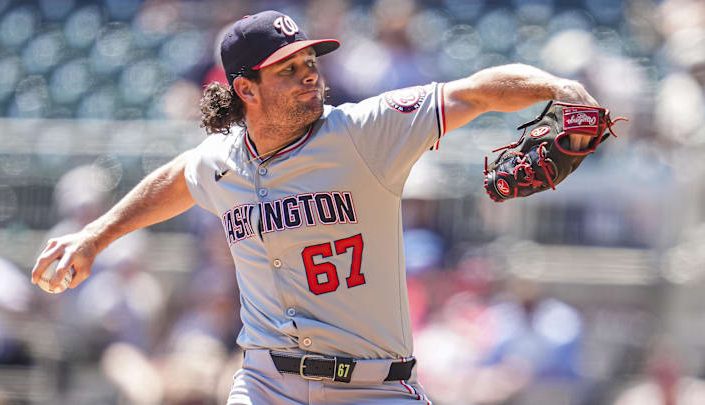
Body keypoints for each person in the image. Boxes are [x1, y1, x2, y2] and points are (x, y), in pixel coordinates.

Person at [32, 10, 599, 404]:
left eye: (310, 62)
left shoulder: (364, 130)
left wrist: (559, 87)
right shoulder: (222, 158)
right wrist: (95, 236)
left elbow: (471, 91)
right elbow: (179, 176)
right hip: (265, 385)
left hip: (375, 388)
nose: (309, 75)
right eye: (288, 69)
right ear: (245, 89)